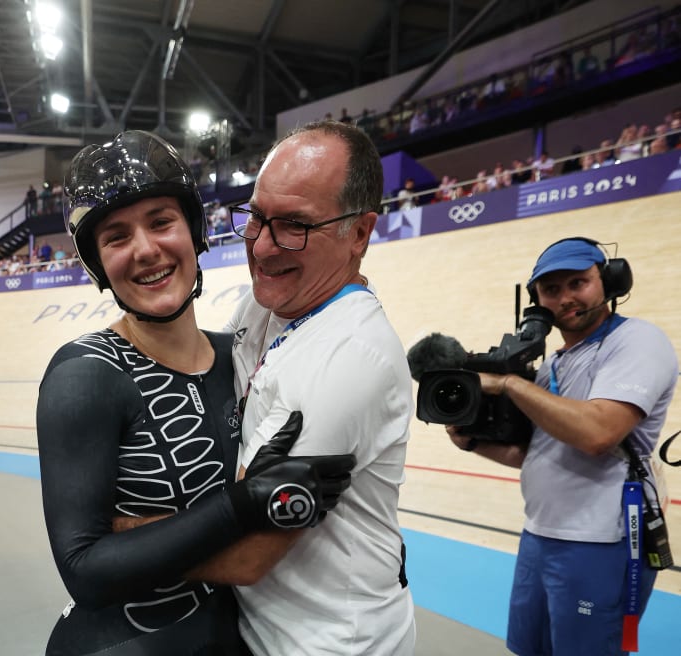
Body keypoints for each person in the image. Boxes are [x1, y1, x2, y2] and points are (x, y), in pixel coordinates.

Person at [37, 130, 356, 655]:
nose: (145, 250)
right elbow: (84, 571)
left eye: (161, 222)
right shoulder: (85, 373)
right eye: (116, 237)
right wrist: (239, 506)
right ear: (98, 263)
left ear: (193, 231)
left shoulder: (242, 356)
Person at [226, 118, 415, 654]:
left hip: (331, 644)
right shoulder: (269, 302)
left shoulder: (349, 358)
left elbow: (245, 556)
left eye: (294, 226)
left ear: (359, 233)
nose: (262, 248)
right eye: (257, 217)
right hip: (268, 630)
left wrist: (110, 536)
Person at [445, 237, 677, 655]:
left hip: (603, 541)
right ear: (536, 301)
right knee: (527, 649)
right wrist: (470, 442)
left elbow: (598, 434)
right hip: (540, 534)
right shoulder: (555, 363)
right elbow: (537, 455)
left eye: (578, 283)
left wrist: (509, 383)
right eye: (552, 290)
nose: (567, 298)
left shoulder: (639, 340)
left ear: (608, 281)